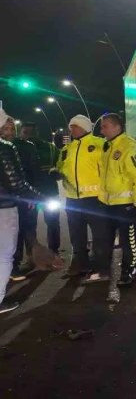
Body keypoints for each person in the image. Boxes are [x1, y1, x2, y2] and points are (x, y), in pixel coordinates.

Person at [85, 113, 136, 287]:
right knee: (104, 239)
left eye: (105, 126)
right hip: (107, 204)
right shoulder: (108, 146)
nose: (101, 129)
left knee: (128, 242)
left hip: (125, 205)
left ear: (116, 127)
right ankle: (103, 270)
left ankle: (129, 271)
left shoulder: (129, 147)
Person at [0, 109, 42, 314]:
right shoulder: (5, 148)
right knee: (5, 254)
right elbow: (15, 181)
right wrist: (36, 197)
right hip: (5, 206)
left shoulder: (26, 147)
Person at [57, 115, 105, 277]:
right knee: (77, 237)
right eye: (71, 127)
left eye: (75, 126)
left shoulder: (100, 144)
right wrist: (55, 172)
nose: (72, 130)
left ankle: (101, 266)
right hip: (72, 200)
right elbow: (60, 169)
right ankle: (80, 265)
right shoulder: (66, 150)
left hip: (95, 199)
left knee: (100, 235)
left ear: (85, 127)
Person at [20, 122, 60, 253]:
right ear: (21, 133)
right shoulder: (16, 149)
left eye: (32, 132)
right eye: (26, 133)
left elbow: (61, 165)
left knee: (53, 223)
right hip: (28, 195)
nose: (29, 136)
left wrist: (58, 173)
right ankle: (32, 255)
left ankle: (54, 252)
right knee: (29, 226)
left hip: (49, 193)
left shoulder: (50, 148)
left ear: (37, 133)